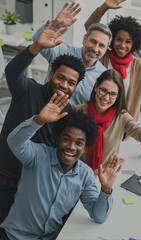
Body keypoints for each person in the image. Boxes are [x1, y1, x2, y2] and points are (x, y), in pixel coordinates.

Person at [0, 94, 121, 239]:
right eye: (66, 139)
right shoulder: (38, 155)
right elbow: (14, 142)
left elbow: (98, 216)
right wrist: (38, 120)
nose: (71, 146)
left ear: (85, 147)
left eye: (79, 143)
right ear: (57, 139)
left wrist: (106, 189)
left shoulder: (85, 174)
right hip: (15, 236)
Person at [0, 20, 85, 223]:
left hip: (32, 185)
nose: (64, 85)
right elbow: (12, 72)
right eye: (60, 78)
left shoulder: (69, 113)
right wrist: (36, 47)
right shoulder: (27, 89)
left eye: (71, 83)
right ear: (50, 75)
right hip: (6, 176)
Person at [75, 69, 141, 174]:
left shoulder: (121, 116)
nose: (106, 97)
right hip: (78, 173)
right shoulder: (79, 111)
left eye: (113, 94)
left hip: (105, 176)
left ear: (118, 96)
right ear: (96, 87)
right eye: (103, 90)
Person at [32, 2, 112, 106]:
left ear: (106, 50)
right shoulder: (62, 50)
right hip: (43, 112)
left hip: (73, 121)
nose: (95, 49)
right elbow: (37, 40)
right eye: (93, 41)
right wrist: (57, 24)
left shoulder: (103, 75)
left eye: (101, 46)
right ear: (84, 39)